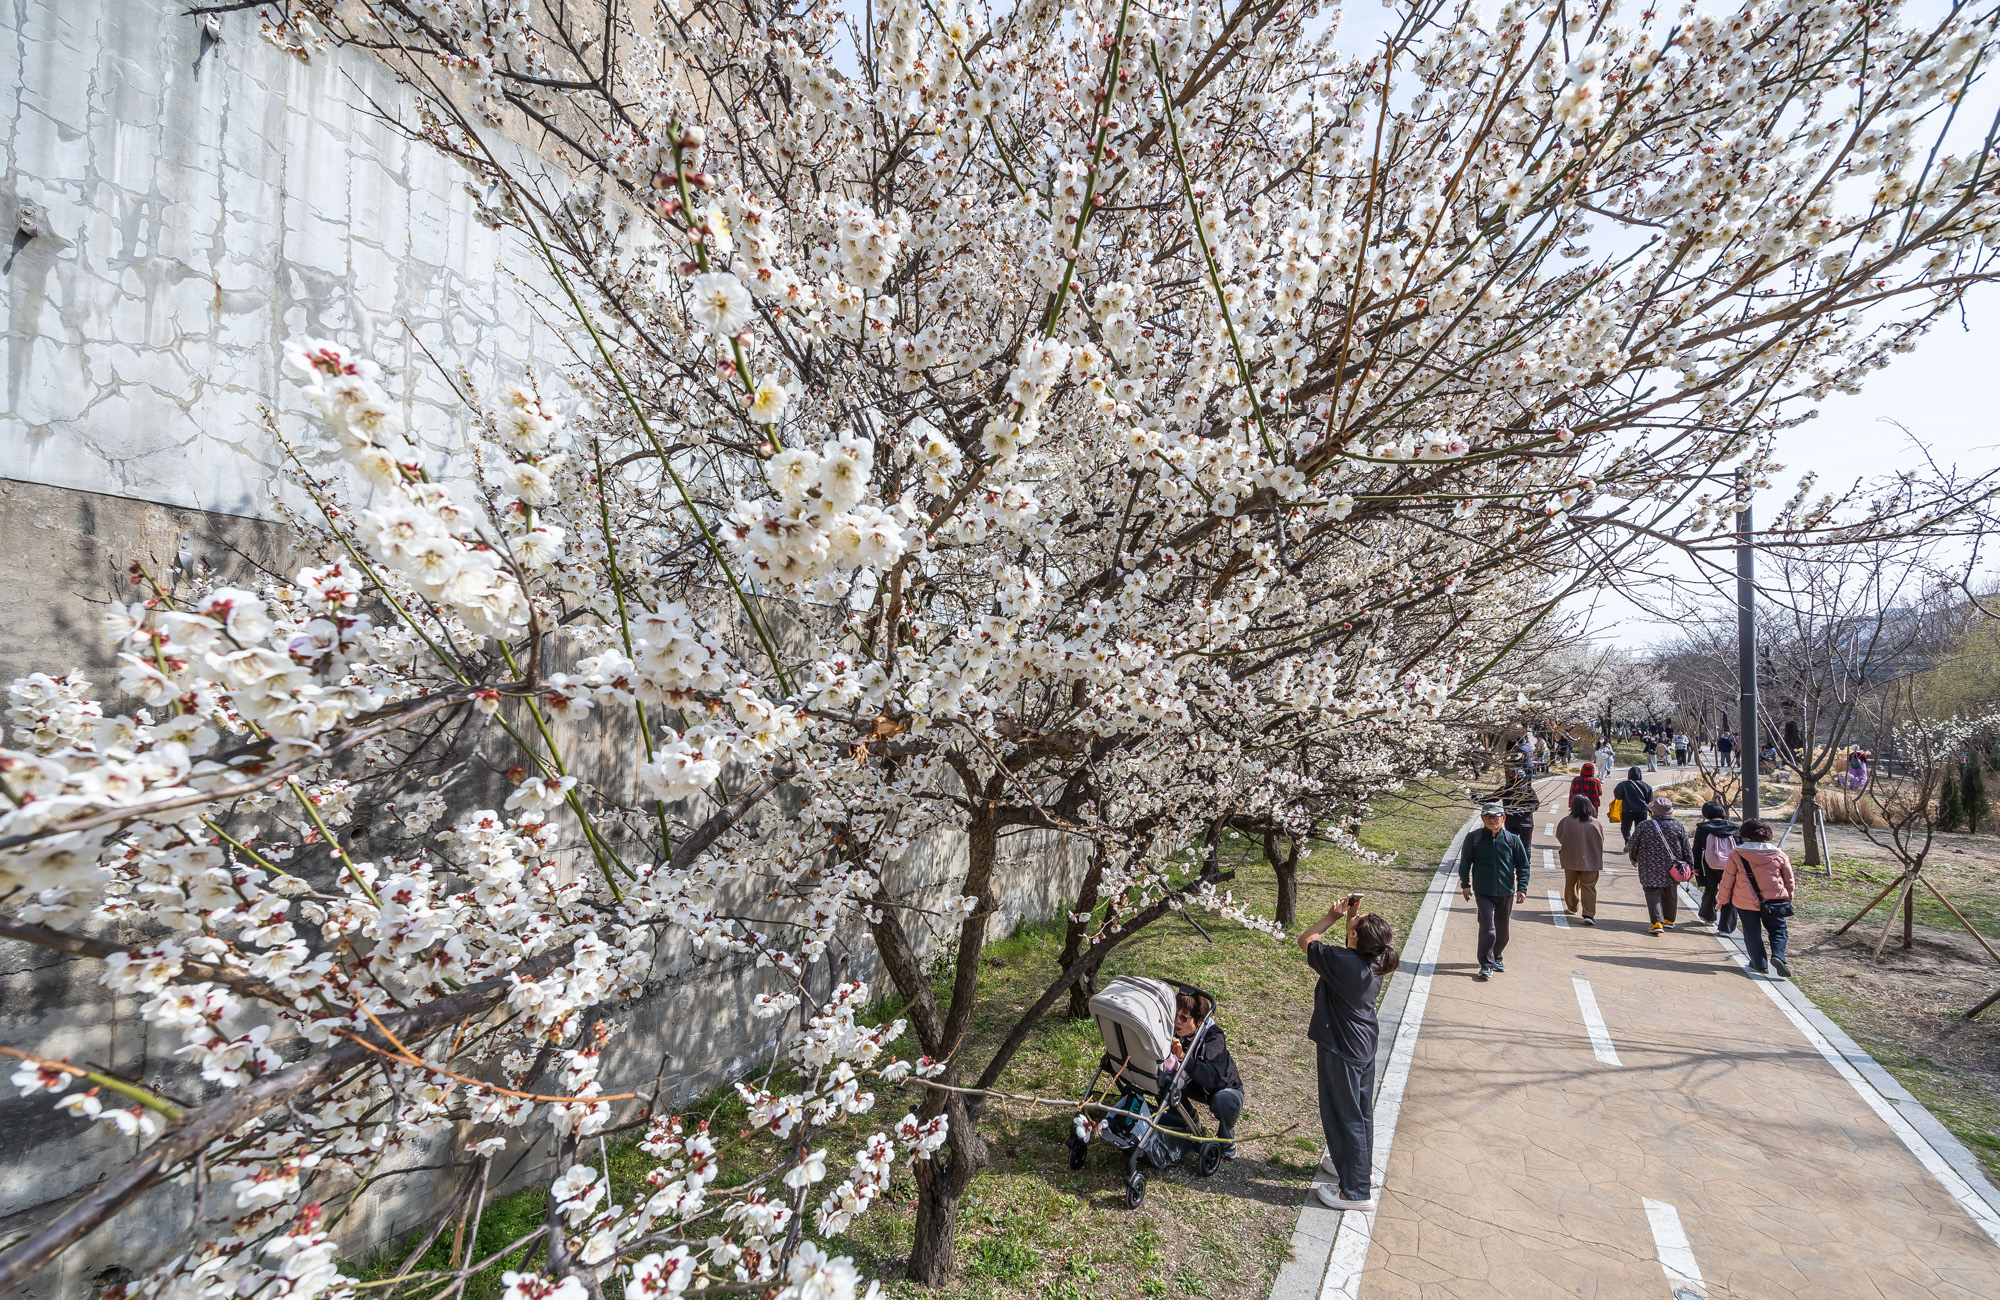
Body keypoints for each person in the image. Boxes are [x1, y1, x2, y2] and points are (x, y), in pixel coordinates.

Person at [1297, 896, 1401, 1211]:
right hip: (1363, 1044)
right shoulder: (1375, 960)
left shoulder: (1344, 963)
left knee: (1343, 1115)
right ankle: (1359, 1171)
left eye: (1354, 925)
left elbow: (1306, 941)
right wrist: (1352, 919)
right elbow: (1350, 948)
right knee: (1360, 1113)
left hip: (1341, 1047)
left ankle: (1354, 1192)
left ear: (1356, 937)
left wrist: (1331, 916)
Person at [1167, 991, 1243, 1159]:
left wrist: (1183, 1057)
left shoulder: (1213, 1037)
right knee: (1164, 1083)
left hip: (1223, 1088)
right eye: (1176, 1015)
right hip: (1193, 1083)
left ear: (1199, 1021)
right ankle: (1188, 1117)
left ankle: (1226, 1138)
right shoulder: (1175, 1031)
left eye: (1184, 1018)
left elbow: (1213, 1079)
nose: (1177, 1021)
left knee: (1223, 1101)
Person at [1459, 803, 1530, 980]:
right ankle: (1486, 964)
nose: (1493, 820)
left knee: (1503, 931)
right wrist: (1465, 884)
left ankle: (1497, 956)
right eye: (1488, 817)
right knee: (1488, 928)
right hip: (1483, 891)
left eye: (1496, 816)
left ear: (1503, 818)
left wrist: (1522, 887)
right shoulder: (1473, 838)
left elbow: (1523, 865)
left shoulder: (1512, 840)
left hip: (1506, 891)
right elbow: (1465, 862)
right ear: (1482, 819)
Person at [1718, 817, 1795, 976]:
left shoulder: (1737, 854)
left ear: (1745, 833)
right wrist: (1789, 896)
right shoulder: (1779, 854)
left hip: (1744, 901)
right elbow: (1789, 879)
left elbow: (1728, 879)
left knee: (1751, 932)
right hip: (1774, 900)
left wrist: (1722, 900)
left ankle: (1759, 964)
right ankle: (1778, 956)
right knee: (1778, 929)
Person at [1627, 797, 1694, 933]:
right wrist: (1690, 866)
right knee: (1670, 891)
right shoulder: (1677, 826)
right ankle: (1669, 920)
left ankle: (1657, 922)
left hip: (1648, 866)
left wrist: (1633, 858)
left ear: (1653, 812)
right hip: (1672, 866)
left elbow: (1633, 844)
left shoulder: (1644, 826)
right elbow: (1686, 848)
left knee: (1652, 892)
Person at [1554, 795, 1605, 924]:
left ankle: (1572, 906)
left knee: (1571, 884)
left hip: (1570, 858)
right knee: (1589, 887)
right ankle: (1589, 914)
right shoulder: (1596, 823)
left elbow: (1559, 836)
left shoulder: (1566, 821)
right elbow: (1601, 840)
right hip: (1592, 860)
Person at [1691, 800, 1741, 935]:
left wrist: (1696, 867)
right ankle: (1726, 928)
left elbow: (1696, 849)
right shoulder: (1735, 828)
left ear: (1705, 813)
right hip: (1731, 866)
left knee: (1711, 889)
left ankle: (1708, 917)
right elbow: (1741, 849)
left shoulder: (1703, 828)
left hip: (1710, 864)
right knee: (1730, 893)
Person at [1498, 760, 1540, 859]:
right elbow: (1535, 804)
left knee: (1519, 846)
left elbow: (1535, 804)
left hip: (1520, 822)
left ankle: (1522, 866)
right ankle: (1522, 866)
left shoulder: (1508, 790)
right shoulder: (1526, 790)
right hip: (1521, 822)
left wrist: (1523, 809)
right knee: (1522, 846)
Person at [1611, 766, 1654, 846]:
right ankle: (1636, 844)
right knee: (1639, 829)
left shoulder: (1622, 785)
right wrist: (1651, 811)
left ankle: (1628, 841)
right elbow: (1650, 801)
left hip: (1627, 809)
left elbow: (1618, 796)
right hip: (1641, 811)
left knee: (1625, 828)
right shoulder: (1646, 786)